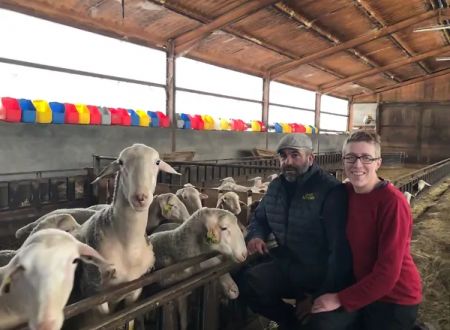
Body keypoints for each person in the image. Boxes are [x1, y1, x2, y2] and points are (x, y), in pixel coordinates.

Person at [236, 133, 357, 330]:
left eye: (295, 155)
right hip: (289, 265)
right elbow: (260, 217)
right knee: (251, 283)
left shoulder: (330, 190)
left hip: (321, 272)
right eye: (283, 156)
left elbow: (339, 250)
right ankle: (290, 322)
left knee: (319, 320)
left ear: (310, 158)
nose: (288, 162)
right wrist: (256, 235)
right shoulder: (276, 187)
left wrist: (317, 296)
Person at [311, 131, 422, 329]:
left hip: (395, 298)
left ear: (378, 163)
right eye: (351, 157)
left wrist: (339, 298)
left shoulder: (392, 203)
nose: (357, 165)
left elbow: (387, 273)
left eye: (366, 158)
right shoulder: (347, 193)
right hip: (364, 288)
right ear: (343, 161)